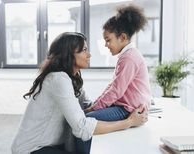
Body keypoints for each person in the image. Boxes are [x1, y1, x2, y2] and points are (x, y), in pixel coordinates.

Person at [11, 32, 148, 154]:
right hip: (32, 149)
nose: (89, 55)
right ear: (69, 54)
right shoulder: (58, 79)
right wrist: (128, 122)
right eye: (84, 50)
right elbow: (82, 127)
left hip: (51, 145)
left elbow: (87, 105)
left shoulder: (70, 79)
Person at [77, 4, 152, 154]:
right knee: (85, 114)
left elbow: (116, 90)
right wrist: (97, 103)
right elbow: (113, 86)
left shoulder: (129, 58)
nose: (106, 45)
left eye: (108, 40)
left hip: (127, 109)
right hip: (124, 106)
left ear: (123, 37)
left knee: (85, 121)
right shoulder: (127, 55)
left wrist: (94, 107)